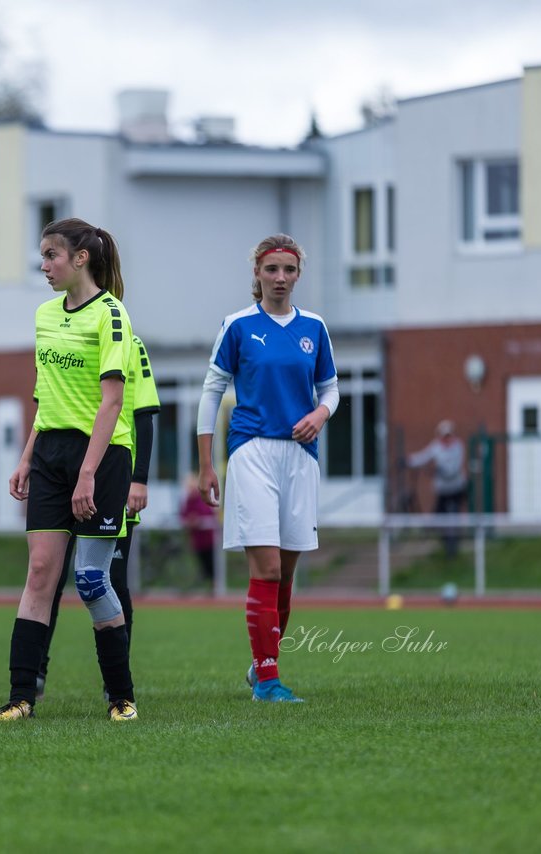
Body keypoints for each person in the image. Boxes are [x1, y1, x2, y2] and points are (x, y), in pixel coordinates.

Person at [0, 217, 138, 723]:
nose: (44, 266)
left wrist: (89, 474)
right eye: (42, 257)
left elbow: (113, 403)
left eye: (51, 255)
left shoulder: (112, 315)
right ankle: (20, 698)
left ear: (80, 259)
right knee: (39, 574)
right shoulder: (45, 315)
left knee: (92, 579)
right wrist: (27, 456)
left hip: (101, 458)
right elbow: (45, 396)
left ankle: (121, 698)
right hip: (50, 455)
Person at [196, 233, 338, 704]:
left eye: (289, 270)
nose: (280, 278)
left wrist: (320, 414)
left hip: (300, 459)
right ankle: (270, 683)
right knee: (268, 567)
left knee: (287, 572)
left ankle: (262, 667)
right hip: (252, 451)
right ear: (257, 273)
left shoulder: (314, 327)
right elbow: (211, 391)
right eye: (271, 269)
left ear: (299, 274)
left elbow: (330, 390)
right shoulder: (237, 325)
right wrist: (206, 464)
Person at [34, 334, 160, 703]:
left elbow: (144, 414)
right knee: (50, 578)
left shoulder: (129, 343)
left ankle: (116, 683)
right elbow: (45, 406)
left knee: (110, 580)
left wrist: (140, 479)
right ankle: (36, 673)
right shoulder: (61, 336)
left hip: (109, 479)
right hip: (63, 475)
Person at [407, 420, 469, 557]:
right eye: (444, 436)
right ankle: (443, 538)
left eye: (449, 435)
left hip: (456, 487)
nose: (447, 439)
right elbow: (423, 456)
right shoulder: (436, 447)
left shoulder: (458, 446)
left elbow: (455, 467)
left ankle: (456, 538)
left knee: (456, 512)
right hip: (443, 489)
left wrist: (444, 470)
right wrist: (409, 461)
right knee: (439, 514)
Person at [180, 472, 218, 589]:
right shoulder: (187, 501)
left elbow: (208, 514)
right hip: (197, 541)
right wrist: (189, 520)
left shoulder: (202, 499)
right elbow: (183, 515)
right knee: (204, 566)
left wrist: (197, 520)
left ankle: (214, 588)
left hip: (208, 540)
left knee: (211, 565)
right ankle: (209, 587)